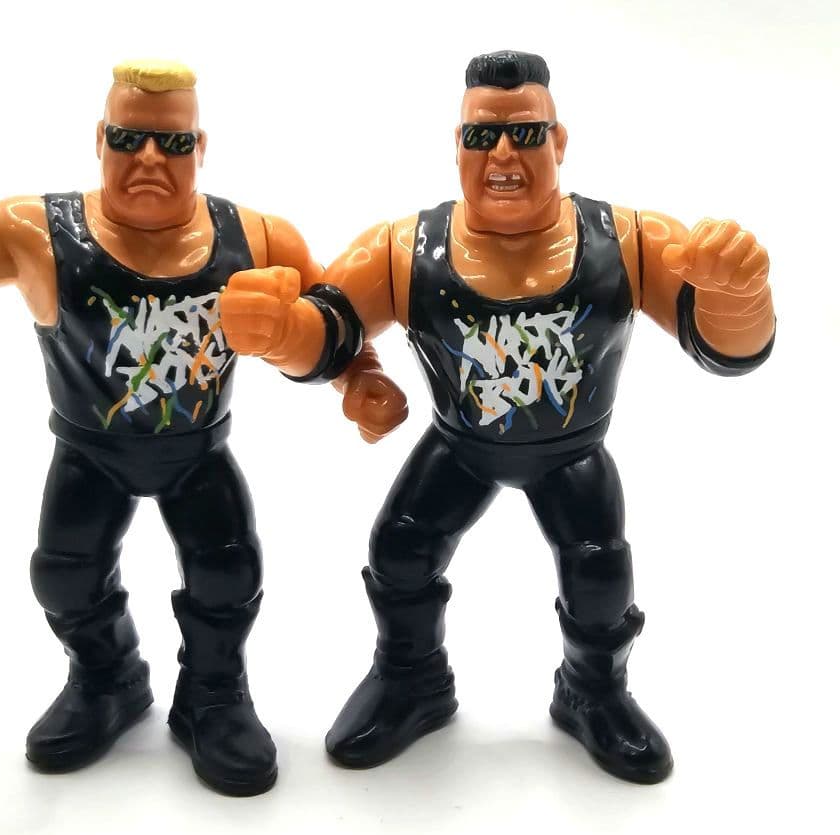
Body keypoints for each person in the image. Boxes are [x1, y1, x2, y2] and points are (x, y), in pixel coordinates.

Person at [0, 59, 390, 796]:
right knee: (64, 574)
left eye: (172, 143)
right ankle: (107, 678)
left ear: (201, 148)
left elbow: (334, 318)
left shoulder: (258, 237)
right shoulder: (40, 233)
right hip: (89, 453)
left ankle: (214, 694)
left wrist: (358, 377)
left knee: (227, 573)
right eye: (128, 138)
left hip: (197, 451)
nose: (149, 159)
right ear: (99, 140)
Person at [220, 50, 774, 784]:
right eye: (483, 136)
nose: (504, 154)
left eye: (526, 133)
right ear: (458, 146)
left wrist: (739, 293)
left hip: (573, 452)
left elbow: (725, 348)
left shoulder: (629, 240)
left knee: (600, 574)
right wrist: (279, 332)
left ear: (560, 141)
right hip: (461, 446)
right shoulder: (405, 249)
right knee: (400, 552)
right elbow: (331, 328)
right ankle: (411, 678)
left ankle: (594, 691)